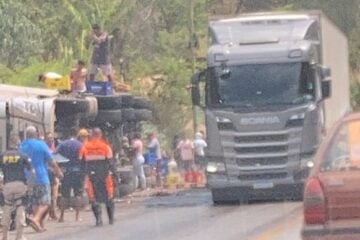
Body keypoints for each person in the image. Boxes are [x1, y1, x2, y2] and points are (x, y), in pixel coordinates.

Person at [20, 126, 63, 233]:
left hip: (27, 178)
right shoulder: (41, 145)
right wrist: (58, 172)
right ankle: (35, 219)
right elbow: (51, 161)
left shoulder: (22, 146)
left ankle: (39, 225)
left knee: (35, 202)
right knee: (45, 202)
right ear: (36, 134)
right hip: (41, 177)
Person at [80, 128, 117, 226]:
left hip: (92, 177)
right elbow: (111, 163)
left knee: (94, 198)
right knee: (109, 197)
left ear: (91, 135)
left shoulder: (85, 147)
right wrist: (115, 175)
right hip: (105, 176)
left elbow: (82, 162)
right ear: (100, 135)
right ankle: (111, 219)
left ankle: (98, 220)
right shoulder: (105, 147)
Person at [0, 134, 33, 240]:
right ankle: (19, 236)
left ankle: (4, 235)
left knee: (7, 208)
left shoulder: (2, 155)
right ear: (18, 143)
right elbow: (32, 171)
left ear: (9, 143)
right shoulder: (23, 155)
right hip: (20, 184)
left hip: (7, 185)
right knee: (20, 207)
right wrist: (30, 185)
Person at [57, 129, 88, 222]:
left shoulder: (63, 144)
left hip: (66, 172)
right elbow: (85, 159)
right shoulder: (81, 145)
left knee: (64, 194)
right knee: (78, 194)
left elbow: (54, 154)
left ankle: (61, 216)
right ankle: (77, 216)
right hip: (78, 172)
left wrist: (60, 166)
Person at [44, 132, 59, 221]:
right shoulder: (44, 149)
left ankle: (53, 213)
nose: (51, 140)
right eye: (49, 138)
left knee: (54, 195)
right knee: (47, 195)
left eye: (52, 139)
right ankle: (48, 214)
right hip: (46, 174)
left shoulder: (54, 149)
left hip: (54, 174)